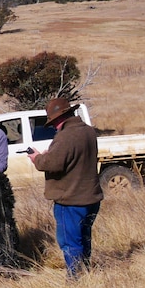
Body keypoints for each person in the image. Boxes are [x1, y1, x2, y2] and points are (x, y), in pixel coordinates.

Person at [29, 96, 103, 278]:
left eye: (53, 122)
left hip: (70, 199)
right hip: (91, 197)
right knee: (84, 238)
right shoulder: (88, 131)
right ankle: (85, 273)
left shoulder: (65, 137)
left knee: (70, 242)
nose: (53, 126)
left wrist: (37, 157)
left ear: (60, 118)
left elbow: (51, 164)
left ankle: (75, 279)